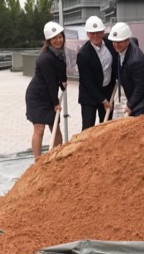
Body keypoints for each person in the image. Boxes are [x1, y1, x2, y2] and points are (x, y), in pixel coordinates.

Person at [25, 21, 68, 159]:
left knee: (55, 128)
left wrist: (63, 83)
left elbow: (61, 75)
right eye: (54, 38)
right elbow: (50, 82)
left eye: (60, 37)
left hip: (50, 94)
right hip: (37, 96)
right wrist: (56, 104)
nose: (58, 40)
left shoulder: (60, 54)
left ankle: (58, 156)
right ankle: (37, 161)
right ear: (48, 40)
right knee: (40, 128)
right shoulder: (45, 59)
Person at [75, 16, 118, 131]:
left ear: (103, 32)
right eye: (92, 33)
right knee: (88, 129)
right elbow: (87, 82)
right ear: (87, 34)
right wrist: (102, 100)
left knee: (106, 127)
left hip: (107, 91)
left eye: (98, 32)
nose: (95, 36)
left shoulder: (111, 44)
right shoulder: (83, 55)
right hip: (89, 96)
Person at [109, 22, 144, 116]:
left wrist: (130, 105)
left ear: (127, 40)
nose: (115, 44)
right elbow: (134, 39)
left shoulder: (135, 61)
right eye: (114, 41)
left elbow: (140, 87)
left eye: (119, 42)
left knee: (136, 119)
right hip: (136, 89)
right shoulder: (129, 42)